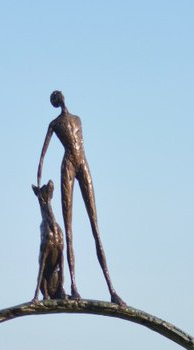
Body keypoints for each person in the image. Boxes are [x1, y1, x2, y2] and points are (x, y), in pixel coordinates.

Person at [37, 90, 125, 306]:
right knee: (68, 230)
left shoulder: (77, 119)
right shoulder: (53, 124)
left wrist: (39, 168)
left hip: (82, 163)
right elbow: (43, 154)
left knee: (95, 227)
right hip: (68, 165)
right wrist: (38, 176)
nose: (60, 101)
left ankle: (112, 289)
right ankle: (74, 286)